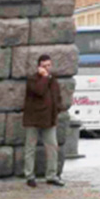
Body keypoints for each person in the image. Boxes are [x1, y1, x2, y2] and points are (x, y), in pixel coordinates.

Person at [21, 56, 66, 188]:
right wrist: (44, 77)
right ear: (39, 67)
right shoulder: (32, 79)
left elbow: (57, 96)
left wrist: (57, 109)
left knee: (52, 147)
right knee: (30, 148)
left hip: (49, 119)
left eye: (49, 65)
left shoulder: (53, 80)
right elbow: (39, 91)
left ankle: (51, 175)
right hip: (33, 119)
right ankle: (29, 175)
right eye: (44, 66)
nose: (47, 68)